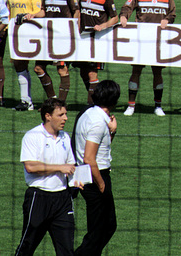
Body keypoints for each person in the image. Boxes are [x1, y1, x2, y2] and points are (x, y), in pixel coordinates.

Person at [15, 98, 77, 255]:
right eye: (61, 114)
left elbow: (70, 166)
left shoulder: (65, 137)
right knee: (27, 246)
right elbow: (30, 166)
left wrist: (78, 180)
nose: (65, 118)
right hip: (39, 198)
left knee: (67, 250)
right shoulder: (33, 136)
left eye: (66, 114)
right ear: (48, 116)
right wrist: (59, 168)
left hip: (63, 199)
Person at [120, 0, 176, 116]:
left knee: (157, 72)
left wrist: (168, 20)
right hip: (141, 39)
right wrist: (124, 16)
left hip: (159, 40)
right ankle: (131, 105)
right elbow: (127, 6)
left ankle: (158, 106)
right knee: (136, 70)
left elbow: (172, 13)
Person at [73, 80, 119, 255]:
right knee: (101, 228)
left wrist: (112, 132)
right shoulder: (98, 123)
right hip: (95, 176)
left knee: (104, 226)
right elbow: (89, 158)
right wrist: (101, 184)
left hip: (86, 174)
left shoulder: (87, 113)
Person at [35, 0, 79, 102]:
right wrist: (31, 15)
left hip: (62, 38)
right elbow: (44, 11)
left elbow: (76, 11)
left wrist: (72, 28)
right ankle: (53, 100)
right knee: (38, 68)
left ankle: (61, 103)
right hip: (48, 37)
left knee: (62, 70)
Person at [77, 0, 118, 103]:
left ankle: (91, 104)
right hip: (83, 39)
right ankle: (95, 98)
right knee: (83, 72)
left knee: (92, 73)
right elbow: (79, 13)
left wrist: (103, 26)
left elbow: (115, 18)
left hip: (98, 41)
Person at [8, 0, 45, 111]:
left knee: (38, 67)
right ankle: (26, 101)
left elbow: (41, 12)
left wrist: (32, 15)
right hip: (16, 34)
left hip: (32, 33)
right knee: (19, 65)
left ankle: (46, 100)